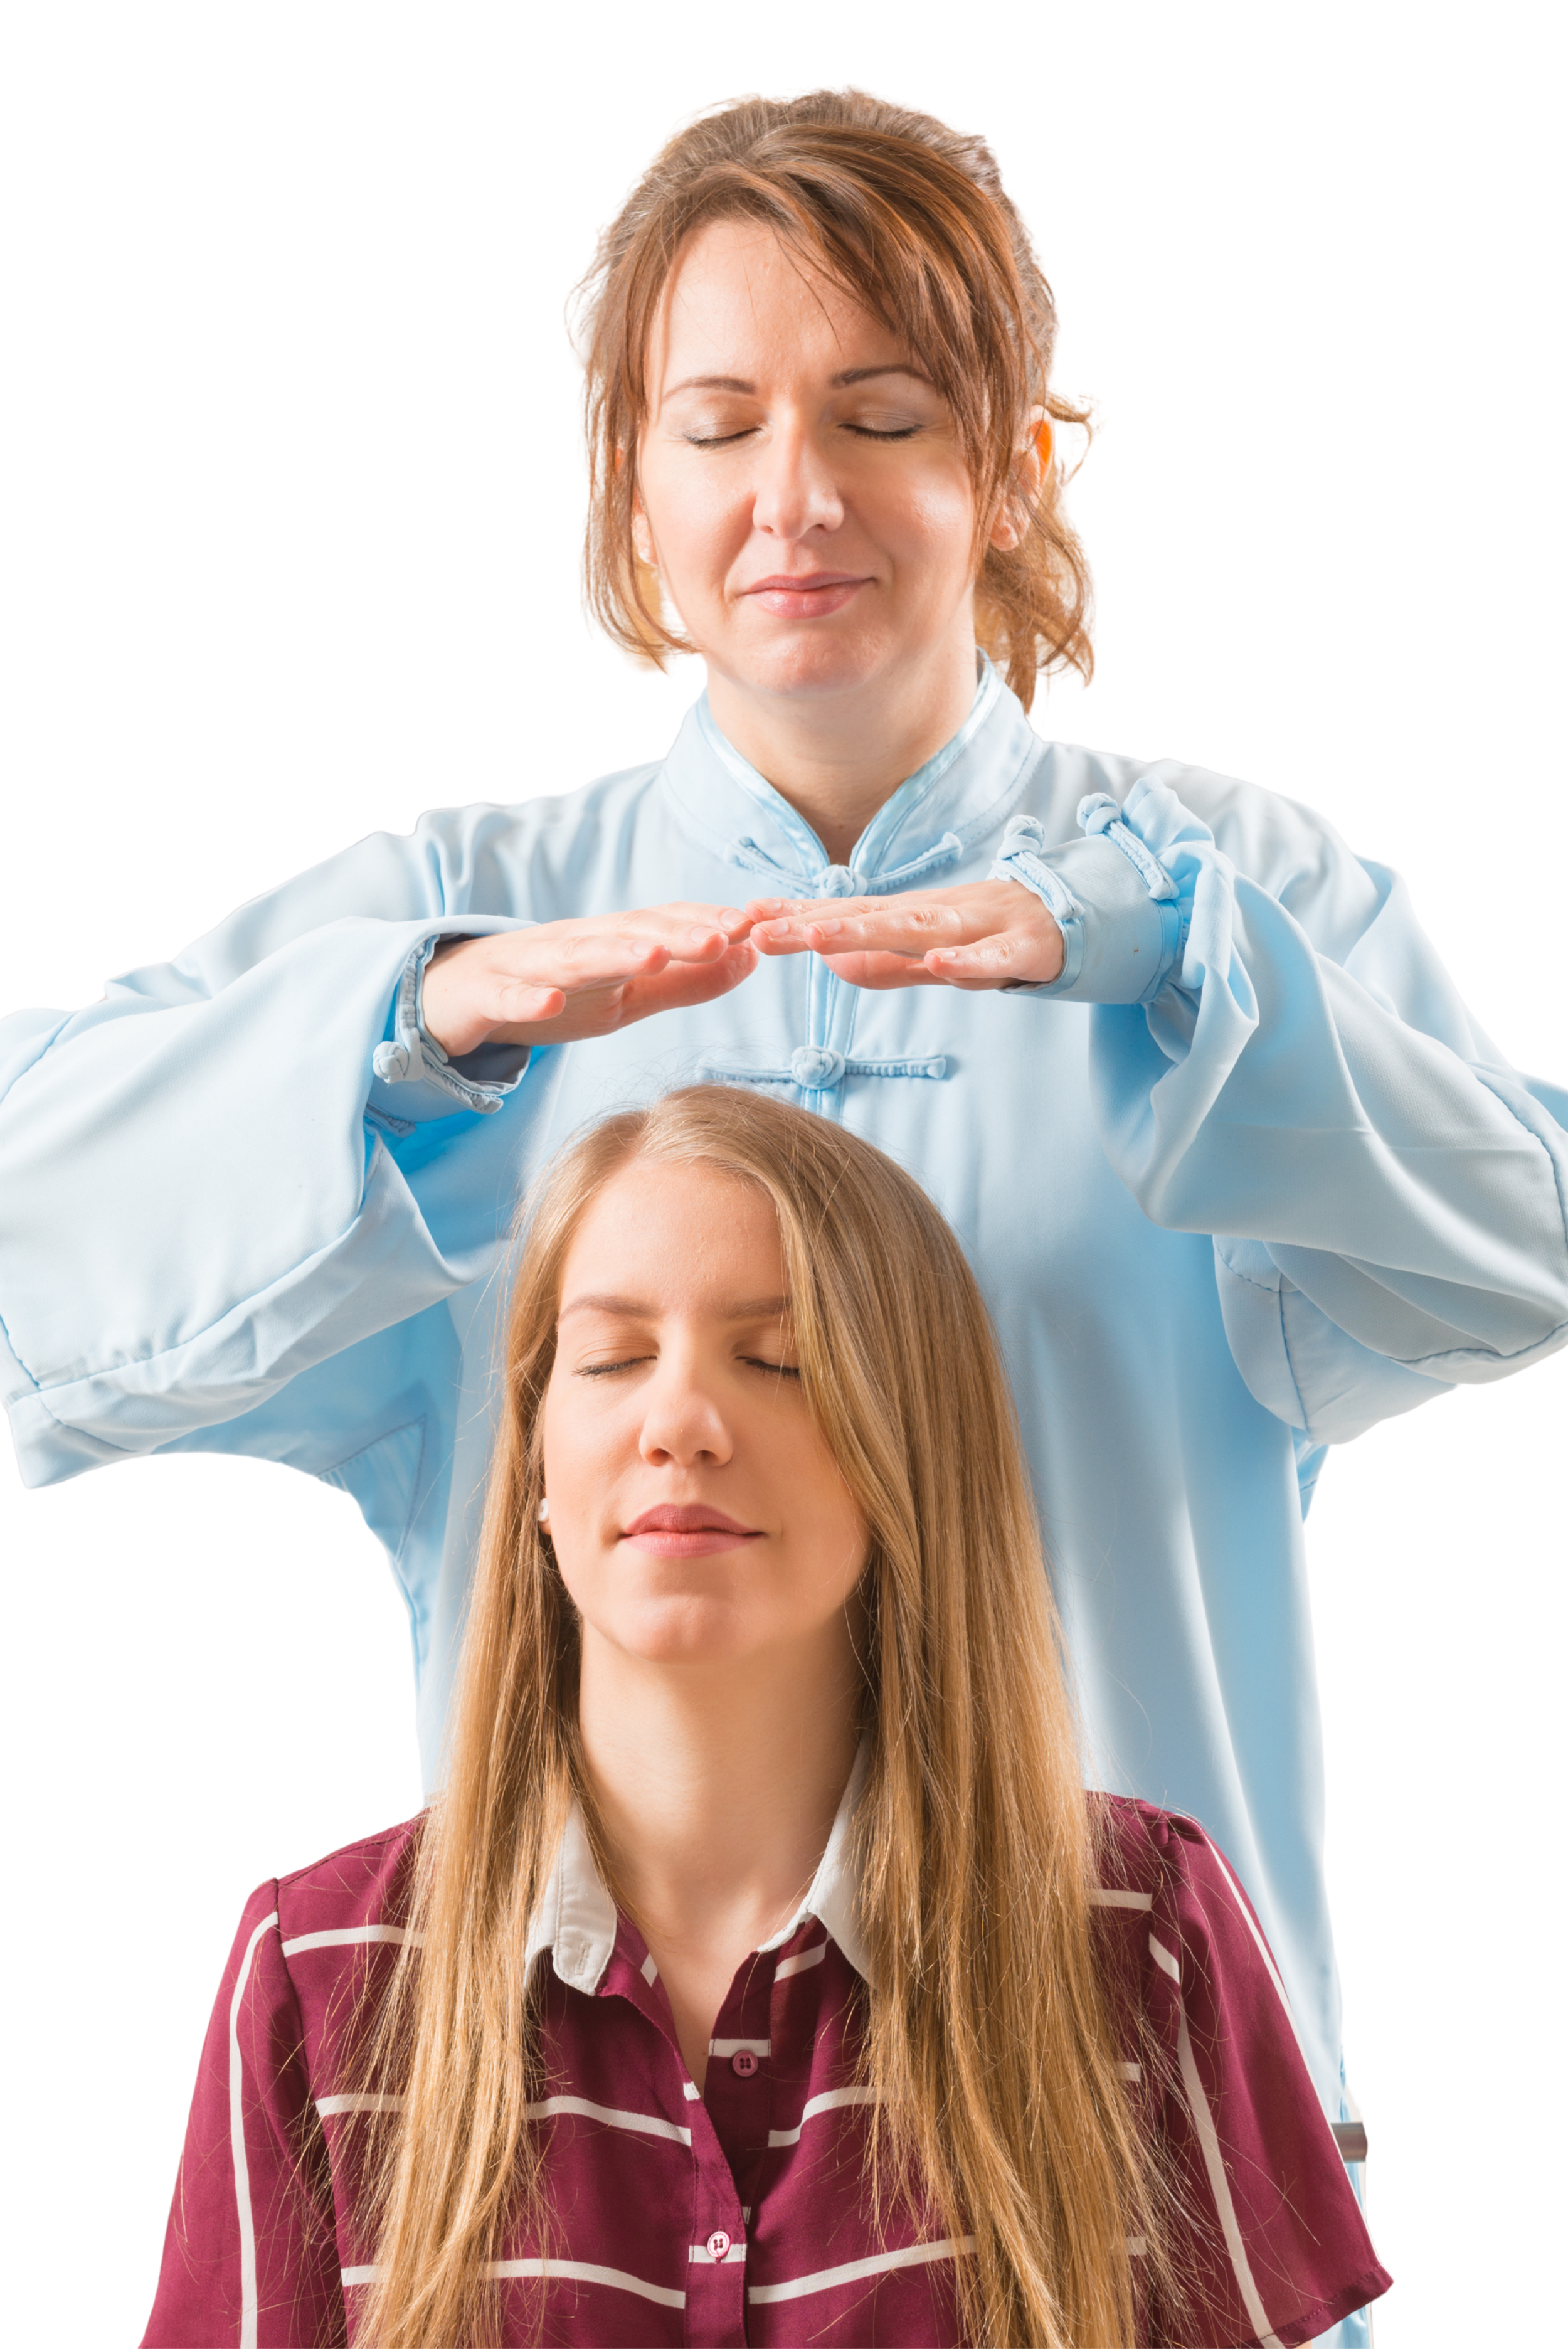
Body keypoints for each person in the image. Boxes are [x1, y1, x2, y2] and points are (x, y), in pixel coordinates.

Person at [1, 91, 1563, 2340]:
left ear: (1011, 467)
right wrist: (412, 1036)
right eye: (717, 423)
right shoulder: (479, 925)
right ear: (632, 490)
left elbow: (1519, 1240)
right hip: (577, 2146)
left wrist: (1164, 970)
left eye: (885, 414)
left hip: (1107, 2130)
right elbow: (40, 1231)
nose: (795, 498)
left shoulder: (1238, 906)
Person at [142, 1089, 1391, 2349]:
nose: (677, 1423)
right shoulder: (316, 1974)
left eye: (778, 1361)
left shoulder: (1145, 1934)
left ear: (910, 1448)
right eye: (613, 1359)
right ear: (531, 1460)